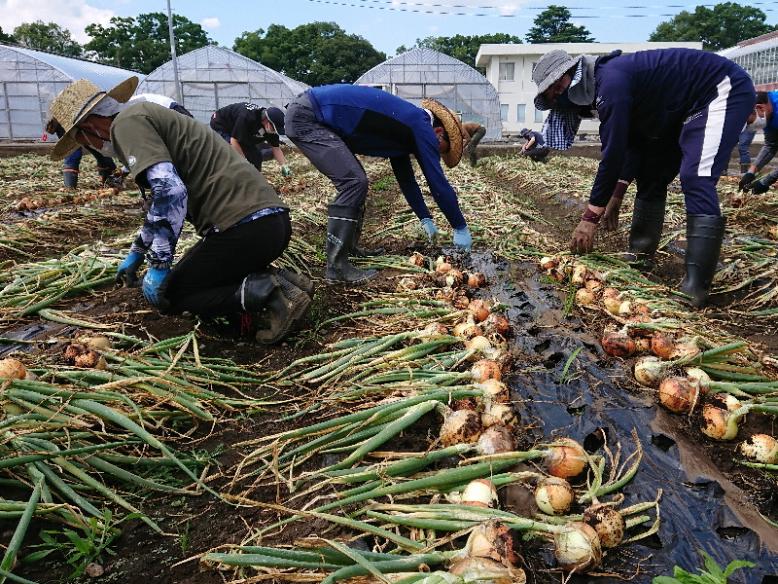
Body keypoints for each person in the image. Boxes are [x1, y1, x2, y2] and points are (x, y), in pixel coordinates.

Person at [48, 76, 312, 344]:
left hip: (243, 229)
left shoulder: (125, 124)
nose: (90, 147)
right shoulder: (144, 116)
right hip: (270, 224)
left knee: (172, 294)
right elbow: (159, 202)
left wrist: (159, 263)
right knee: (195, 274)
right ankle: (286, 283)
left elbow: (169, 191)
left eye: (81, 139)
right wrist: (137, 252)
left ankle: (270, 294)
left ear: (89, 126)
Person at [533, 48, 755, 308]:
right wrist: (616, 195)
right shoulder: (604, 90)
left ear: (571, 74)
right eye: (553, 94)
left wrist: (590, 218)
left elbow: (612, 154)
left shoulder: (611, 82)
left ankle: (696, 288)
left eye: (558, 88)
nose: (559, 95)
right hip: (674, 113)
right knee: (651, 177)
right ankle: (640, 258)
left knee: (695, 176)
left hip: (718, 89)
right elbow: (632, 144)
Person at [285, 85, 472, 284]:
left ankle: (349, 249)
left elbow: (406, 180)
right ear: (438, 132)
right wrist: (459, 226)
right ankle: (337, 268)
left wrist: (425, 218)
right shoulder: (420, 124)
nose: (437, 153)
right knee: (354, 182)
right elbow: (437, 181)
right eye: (440, 149)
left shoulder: (404, 130)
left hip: (311, 113)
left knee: (355, 181)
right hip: (308, 115)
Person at [210, 102, 291, 176]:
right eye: (274, 128)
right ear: (266, 120)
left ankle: (256, 178)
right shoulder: (247, 117)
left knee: (256, 157)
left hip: (239, 131)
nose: (274, 131)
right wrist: (244, 163)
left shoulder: (270, 129)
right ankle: (230, 178)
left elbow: (276, 148)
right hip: (221, 124)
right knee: (232, 154)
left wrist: (284, 166)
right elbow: (234, 140)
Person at [45, 118, 118, 189]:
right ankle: (70, 189)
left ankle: (70, 188)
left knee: (96, 150)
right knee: (75, 154)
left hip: (76, 120)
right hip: (73, 121)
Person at [739, 92, 778, 195]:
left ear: (759, 108)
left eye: (750, 122)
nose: (751, 126)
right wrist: (751, 172)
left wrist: (767, 180)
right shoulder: (767, 114)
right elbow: (771, 145)